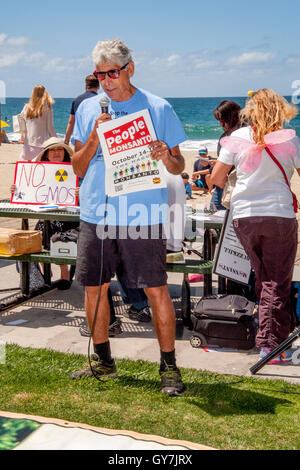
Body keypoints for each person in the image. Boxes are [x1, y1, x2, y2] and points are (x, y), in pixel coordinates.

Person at [70, 38, 186, 396]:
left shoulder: (158, 107)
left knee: (155, 289)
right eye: (99, 74)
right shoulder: (90, 109)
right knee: (94, 289)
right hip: (95, 213)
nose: (106, 80)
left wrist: (166, 155)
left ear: (129, 69)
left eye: (113, 73)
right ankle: (104, 360)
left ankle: (169, 369)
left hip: (141, 215)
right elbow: (77, 166)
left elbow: (180, 165)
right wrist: (92, 139)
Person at [210, 88, 300, 363]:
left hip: (245, 217)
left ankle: (272, 339)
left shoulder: (237, 136)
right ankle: (271, 347)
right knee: (277, 282)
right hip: (278, 216)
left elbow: (216, 177)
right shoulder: (290, 140)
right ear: (280, 111)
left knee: (264, 280)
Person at [210, 100, 242, 210]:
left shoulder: (242, 136)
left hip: (234, 186)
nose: (220, 124)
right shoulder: (224, 135)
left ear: (232, 118)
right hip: (222, 186)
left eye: (223, 120)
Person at [19, 85, 56, 161]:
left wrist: (22, 136)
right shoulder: (47, 108)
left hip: (28, 144)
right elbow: (50, 128)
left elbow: (21, 122)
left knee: (29, 167)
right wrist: (55, 140)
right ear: (45, 93)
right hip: (42, 144)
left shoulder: (27, 107)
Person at [64, 75, 100, 145]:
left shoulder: (77, 100)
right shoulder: (100, 100)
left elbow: (71, 122)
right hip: (96, 140)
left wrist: (66, 141)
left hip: (79, 141)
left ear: (86, 87)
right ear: (98, 87)